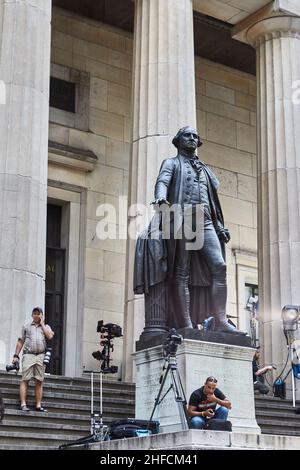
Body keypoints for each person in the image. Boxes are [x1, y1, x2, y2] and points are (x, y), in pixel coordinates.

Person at [152, 126, 244, 333]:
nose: (192, 139)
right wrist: (160, 197)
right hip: (182, 218)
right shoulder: (171, 163)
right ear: (178, 141)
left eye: (195, 136)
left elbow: (212, 200)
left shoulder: (204, 168)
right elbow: (163, 181)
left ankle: (221, 320)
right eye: (188, 135)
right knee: (181, 271)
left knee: (219, 266)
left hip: (205, 221)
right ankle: (186, 323)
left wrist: (219, 226)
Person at [12, 307, 54, 412]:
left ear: (41, 315)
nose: (36, 315)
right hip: (28, 355)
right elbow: (20, 341)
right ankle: (23, 404)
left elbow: (49, 336)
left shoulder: (46, 327)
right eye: (34, 313)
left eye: (38, 313)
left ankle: (38, 405)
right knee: (25, 379)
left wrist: (42, 324)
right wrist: (16, 356)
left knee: (39, 381)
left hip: (40, 356)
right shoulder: (26, 327)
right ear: (32, 315)